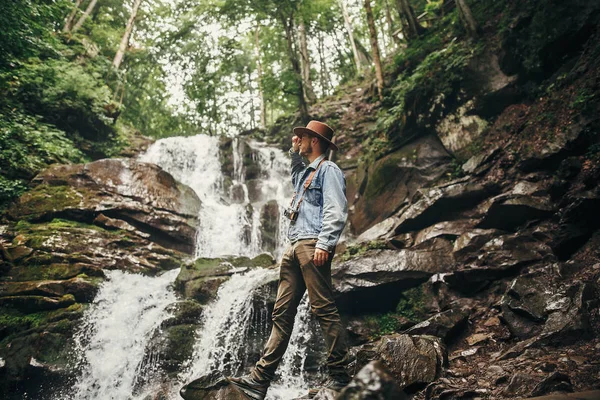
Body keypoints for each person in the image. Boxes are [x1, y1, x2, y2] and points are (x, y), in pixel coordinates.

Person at [227, 120, 350, 400]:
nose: (299, 140)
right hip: (294, 246)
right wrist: (295, 152)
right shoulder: (306, 172)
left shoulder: (329, 170)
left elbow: (335, 208)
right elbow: (296, 175)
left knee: (324, 310)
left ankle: (341, 377)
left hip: (312, 243)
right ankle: (259, 381)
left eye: (304, 137)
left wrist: (325, 243)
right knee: (281, 314)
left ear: (315, 141)